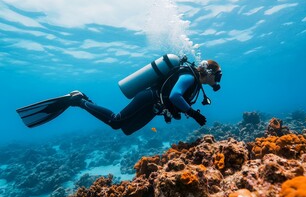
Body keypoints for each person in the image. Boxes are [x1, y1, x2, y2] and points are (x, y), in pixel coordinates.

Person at [16, 57, 222, 135]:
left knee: (126, 129)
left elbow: (174, 99)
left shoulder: (194, 80)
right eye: (218, 75)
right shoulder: (190, 77)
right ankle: (79, 100)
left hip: (155, 106)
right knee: (116, 122)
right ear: (210, 73)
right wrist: (193, 114)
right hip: (149, 98)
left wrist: (176, 112)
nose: (218, 80)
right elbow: (176, 95)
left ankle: (81, 101)